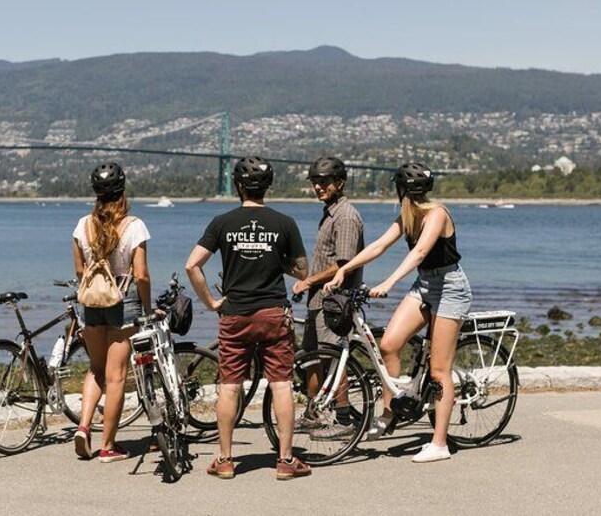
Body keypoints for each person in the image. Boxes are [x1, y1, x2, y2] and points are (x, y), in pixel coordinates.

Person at [324, 162, 472, 463]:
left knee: (439, 370)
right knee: (389, 344)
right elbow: (379, 245)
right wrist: (345, 269)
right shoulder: (407, 216)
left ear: (401, 189)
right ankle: (390, 413)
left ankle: (440, 443)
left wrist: (389, 282)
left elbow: (418, 253)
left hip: (451, 287)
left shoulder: (437, 213)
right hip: (425, 285)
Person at [186, 156, 312, 480]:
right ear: (268, 186)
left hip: (235, 314)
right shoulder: (284, 222)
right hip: (273, 313)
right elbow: (301, 269)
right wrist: (276, 258)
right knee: (282, 383)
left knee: (229, 386)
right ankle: (285, 461)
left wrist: (211, 301)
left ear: (238, 186)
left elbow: (192, 265)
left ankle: (225, 460)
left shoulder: (222, 222)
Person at [71, 162, 152, 462]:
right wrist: (146, 307)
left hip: (91, 303)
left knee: (96, 368)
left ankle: (83, 426)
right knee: (116, 376)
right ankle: (108, 445)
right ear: (122, 192)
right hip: (123, 305)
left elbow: (80, 270)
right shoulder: (134, 226)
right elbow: (141, 275)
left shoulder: (82, 225)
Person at [290, 156, 364, 440]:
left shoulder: (345, 217)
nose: (319, 187)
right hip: (317, 300)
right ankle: (314, 414)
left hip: (335, 301)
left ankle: (344, 419)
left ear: (340, 182)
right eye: (315, 182)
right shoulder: (330, 212)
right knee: (311, 359)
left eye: (324, 182)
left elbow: (344, 265)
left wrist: (309, 280)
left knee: (334, 358)